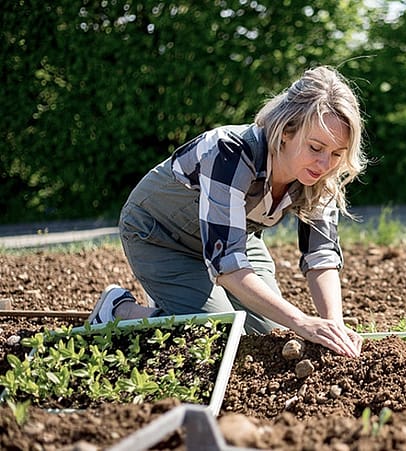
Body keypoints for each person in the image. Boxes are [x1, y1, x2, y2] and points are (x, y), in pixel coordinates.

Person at [88, 66, 366, 358]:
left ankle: (179, 302)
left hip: (233, 238)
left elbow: (320, 257)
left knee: (267, 334)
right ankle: (119, 309)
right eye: (316, 147)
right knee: (218, 336)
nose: (325, 164)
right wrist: (303, 322)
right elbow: (228, 265)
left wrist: (333, 325)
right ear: (286, 131)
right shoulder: (231, 152)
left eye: (337, 154)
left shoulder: (320, 177)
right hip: (160, 235)